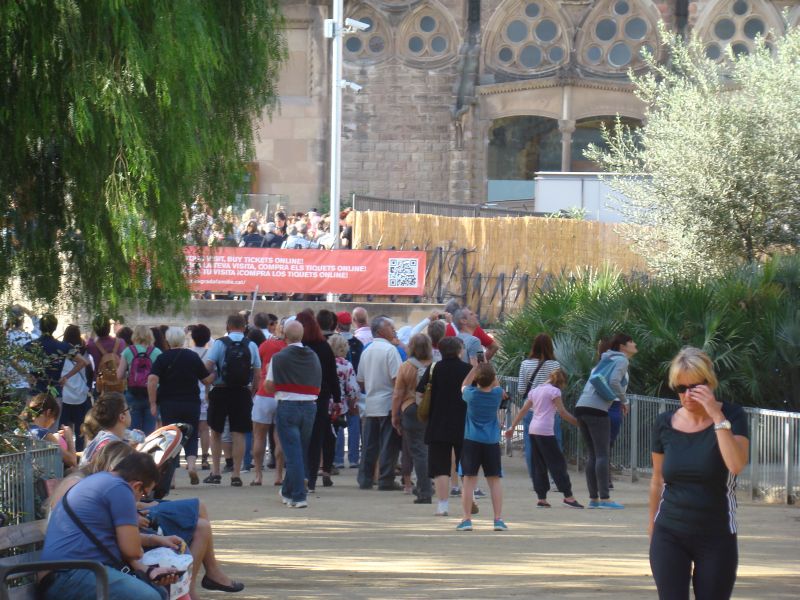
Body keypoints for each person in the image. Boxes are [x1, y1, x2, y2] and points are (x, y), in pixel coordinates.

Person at [649, 347, 749, 600]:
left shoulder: (733, 416)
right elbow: (658, 478)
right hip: (669, 532)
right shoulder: (664, 423)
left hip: (716, 534)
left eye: (695, 387)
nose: (687, 395)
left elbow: (736, 465)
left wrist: (717, 416)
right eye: (680, 389)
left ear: (710, 383)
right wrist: (652, 529)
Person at [39, 452, 181, 600]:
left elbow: (116, 543)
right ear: (137, 485)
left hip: (68, 573)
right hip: (69, 575)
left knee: (160, 593)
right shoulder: (120, 489)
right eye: (144, 494)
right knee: (149, 597)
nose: (141, 499)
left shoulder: (99, 480)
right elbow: (132, 551)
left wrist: (149, 570)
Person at [264, 320, 322, 508]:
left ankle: (298, 495)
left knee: (293, 453)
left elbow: (269, 386)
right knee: (299, 451)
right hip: (310, 406)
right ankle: (288, 492)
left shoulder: (279, 357)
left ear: (285, 337)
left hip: (287, 405)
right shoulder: (313, 356)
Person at [575, 332, 636, 509]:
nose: (635, 345)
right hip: (597, 408)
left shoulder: (605, 358)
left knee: (593, 454)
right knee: (602, 453)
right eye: (631, 342)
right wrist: (624, 401)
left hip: (582, 406)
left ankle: (594, 499)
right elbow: (615, 381)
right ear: (623, 346)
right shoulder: (622, 360)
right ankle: (605, 498)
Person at [507, 369, 583, 508]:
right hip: (546, 431)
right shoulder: (555, 392)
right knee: (557, 464)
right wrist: (579, 423)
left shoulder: (535, 390)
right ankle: (568, 496)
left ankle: (541, 498)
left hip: (533, 430)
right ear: (562, 382)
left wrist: (512, 427)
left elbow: (524, 410)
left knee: (538, 464)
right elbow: (562, 412)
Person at [147, 327, 212, 485]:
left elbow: (152, 380)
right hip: (191, 402)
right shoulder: (192, 356)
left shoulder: (163, 358)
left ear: (167, 341)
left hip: (169, 403)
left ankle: (172, 478)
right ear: (183, 340)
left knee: (171, 438)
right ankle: (191, 465)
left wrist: (153, 402)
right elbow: (206, 380)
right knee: (191, 434)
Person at [203, 314, 261, 487]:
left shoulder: (220, 343)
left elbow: (208, 367)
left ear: (227, 326)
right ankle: (236, 473)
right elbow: (257, 372)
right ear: (244, 327)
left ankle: (216, 472)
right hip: (242, 392)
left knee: (216, 432)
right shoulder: (251, 345)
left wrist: (210, 380)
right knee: (239, 433)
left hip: (220, 391)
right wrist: (251, 391)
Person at [420, 336, 472, 516]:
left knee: (440, 467)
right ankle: (468, 499)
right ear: (459, 350)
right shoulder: (468, 370)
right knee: (466, 465)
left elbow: (420, 393)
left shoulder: (434, 368)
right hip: (464, 423)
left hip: (438, 422)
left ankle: (442, 506)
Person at [295, 310, 341, 491]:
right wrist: (337, 398)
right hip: (320, 397)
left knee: (297, 440)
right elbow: (332, 375)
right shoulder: (324, 347)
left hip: (298, 396)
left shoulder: (296, 348)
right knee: (316, 440)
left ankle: (299, 477)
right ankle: (311, 479)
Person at [356, 316, 403, 491]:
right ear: (381, 330)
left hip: (370, 403)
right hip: (387, 402)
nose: (394, 330)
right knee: (388, 445)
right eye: (391, 327)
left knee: (369, 444)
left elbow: (360, 381)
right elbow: (397, 379)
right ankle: (385, 479)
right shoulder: (390, 350)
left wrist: (372, 386)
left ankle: (365, 478)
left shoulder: (367, 350)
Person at [457, 363, 506, 531]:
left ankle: (466, 519)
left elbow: (463, 385)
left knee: (469, 481)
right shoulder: (497, 394)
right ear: (492, 380)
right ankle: (498, 519)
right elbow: (497, 385)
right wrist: (490, 371)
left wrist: (474, 368)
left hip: (472, 440)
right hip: (491, 441)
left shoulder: (471, 395)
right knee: (494, 480)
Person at [391, 333, 434, 504]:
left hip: (410, 408)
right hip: (430, 410)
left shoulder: (406, 367)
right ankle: (427, 484)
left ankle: (424, 491)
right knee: (427, 449)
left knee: (418, 450)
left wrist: (394, 415)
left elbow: (397, 394)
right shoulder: (434, 366)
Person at [516, 333, 561, 490]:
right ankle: (555, 477)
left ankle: (535, 477)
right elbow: (558, 387)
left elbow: (521, 389)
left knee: (531, 443)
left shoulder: (525, 364)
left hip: (531, 408)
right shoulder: (554, 365)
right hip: (551, 410)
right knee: (554, 442)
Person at [251, 323, 287, 486]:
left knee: (259, 436)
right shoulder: (288, 347)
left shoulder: (266, 345)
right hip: (281, 394)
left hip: (263, 393)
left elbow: (256, 365)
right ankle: (278, 474)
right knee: (279, 437)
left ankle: (258, 474)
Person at [117, 325, 162, 435]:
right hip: (152, 395)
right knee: (150, 433)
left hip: (133, 393)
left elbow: (119, 375)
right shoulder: (157, 352)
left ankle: (134, 451)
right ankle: (147, 452)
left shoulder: (128, 351)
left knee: (133, 432)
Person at [19, 393, 77, 467]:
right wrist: (69, 438)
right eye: (54, 419)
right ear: (48, 412)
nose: (53, 423)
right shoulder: (44, 434)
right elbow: (72, 461)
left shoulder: (19, 430)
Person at [329, 333, 360, 471]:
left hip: (327, 400)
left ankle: (337, 459)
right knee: (349, 426)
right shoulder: (346, 365)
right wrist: (353, 400)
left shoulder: (325, 361)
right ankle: (353, 458)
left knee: (334, 430)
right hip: (342, 400)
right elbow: (352, 388)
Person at [59, 324, 93, 450]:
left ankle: (64, 456)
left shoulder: (60, 353)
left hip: (65, 395)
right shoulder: (84, 352)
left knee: (62, 430)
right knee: (80, 431)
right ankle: (78, 455)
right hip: (81, 395)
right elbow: (90, 372)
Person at [80, 392, 132, 465]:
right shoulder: (113, 447)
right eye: (128, 409)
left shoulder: (101, 438)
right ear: (122, 417)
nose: (130, 411)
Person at [188, 324, 212, 470]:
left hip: (190, 394)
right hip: (206, 395)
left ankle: (190, 459)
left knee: (189, 428)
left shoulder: (188, 353)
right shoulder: (211, 354)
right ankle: (204, 458)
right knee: (204, 429)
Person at [86, 314, 127, 395]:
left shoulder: (92, 345)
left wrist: (96, 327)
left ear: (95, 329)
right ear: (109, 328)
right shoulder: (121, 342)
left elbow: (91, 338)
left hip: (101, 384)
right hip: (118, 384)